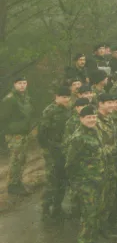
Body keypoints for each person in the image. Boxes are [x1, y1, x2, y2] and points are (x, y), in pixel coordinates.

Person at [65, 105, 106, 243]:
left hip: (97, 179)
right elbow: (70, 164)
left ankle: (92, 242)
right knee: (88, 215)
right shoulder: (77, 138)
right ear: (81, 119)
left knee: (95, 212)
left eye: (94, 117)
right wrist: (79, 183)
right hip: (85, 183)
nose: (92, 120)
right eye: (88, 117)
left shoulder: (94, 131)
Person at [37, 86, 73, 219]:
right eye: (63, 97)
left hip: (64, 149)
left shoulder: (68, 110)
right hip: (52, 150)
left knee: (63, 179)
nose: (66, 100)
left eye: (68, 97)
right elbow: (42, 133)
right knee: (52, 180)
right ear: (56, 97)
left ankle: (57, 207)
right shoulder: (49, 111)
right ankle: (45, 208)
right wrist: (48, 148)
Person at [1, 77, 34, 195]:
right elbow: (3, 118)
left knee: (22, 159)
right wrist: (8, 132)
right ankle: (12, 186)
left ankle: (18, 182)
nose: (22, 86)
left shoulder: (25, 97)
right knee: (15, 160)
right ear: (14, 84)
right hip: (14, 135)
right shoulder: (10, 99)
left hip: (24, 133)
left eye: (24, 83)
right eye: (19, 83)